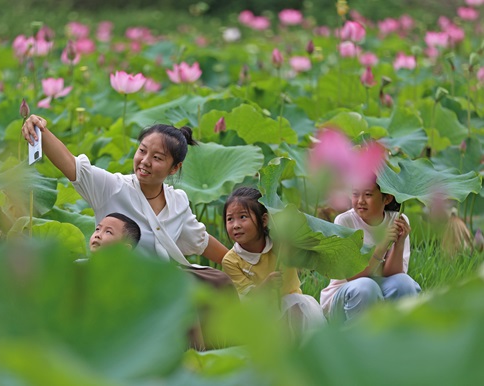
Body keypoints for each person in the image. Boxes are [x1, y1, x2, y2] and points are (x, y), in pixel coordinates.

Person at [22, 115, 228, 264]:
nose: (145, 161)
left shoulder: (178, 202)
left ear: (175, 168)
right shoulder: (112, 187)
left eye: (157, 158)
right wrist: (41, 130)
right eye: (142, 151)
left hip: (156, 300)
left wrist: (243, 268)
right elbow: (71, 165)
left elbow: (201, 241)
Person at [221, 187, 326, 336]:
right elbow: (249, 298)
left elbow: (307, 256)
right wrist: (267, 285)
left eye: (243, 217)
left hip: (296, 309)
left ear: (264, 220)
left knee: (297, 303)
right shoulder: (231, 260)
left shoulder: (281, 244)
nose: (236, 225)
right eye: (230, 219)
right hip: (260, 316)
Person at [319, 181, 421, 323]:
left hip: (380, 290)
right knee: (366, 286)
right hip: (344, 297)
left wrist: (399, 243)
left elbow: (394, 275)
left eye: (368, 194)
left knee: (405, 283)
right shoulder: (344, 221)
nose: (360, 201)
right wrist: (382, 245)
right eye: (355, 194)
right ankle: (358, 339)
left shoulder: (398, 220)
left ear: (387, 198)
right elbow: (353, 276)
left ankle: (399, 335)